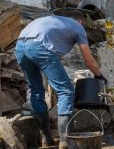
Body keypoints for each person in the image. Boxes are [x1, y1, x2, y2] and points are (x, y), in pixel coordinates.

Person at [15, 11, 107, 149]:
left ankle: (46, 139)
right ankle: (65, 140)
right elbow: (89, 61)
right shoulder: (78, 26)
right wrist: (99, 76)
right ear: (80, 21)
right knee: (66, 91)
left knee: (35, 90)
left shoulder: (50, 21)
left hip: (20, 46)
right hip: (39, 47)